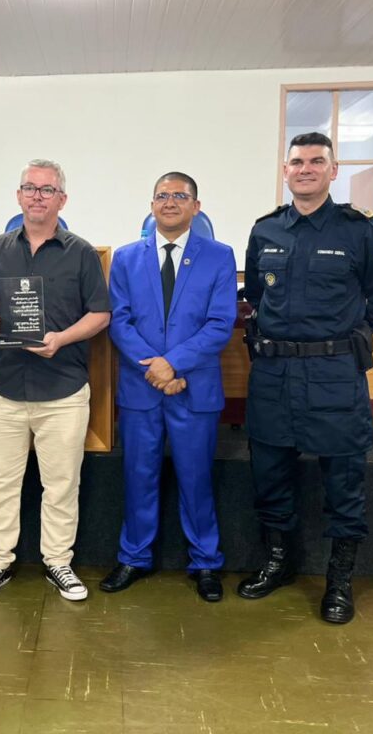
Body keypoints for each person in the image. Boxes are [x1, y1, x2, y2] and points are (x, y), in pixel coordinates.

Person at [239, 132, 373, 623]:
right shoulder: (266, 230)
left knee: (343, 482)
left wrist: (347, 337)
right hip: (273, 374)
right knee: (270, 473)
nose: (305, 169)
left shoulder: (362, 230)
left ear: (333, 171)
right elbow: (256, 293)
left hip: (335, 373)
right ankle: (278, 564)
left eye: (316, 161)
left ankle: (339, 581)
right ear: (285, 171)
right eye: (297, 162)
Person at [0, 159, 111, 602]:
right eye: (30, 188)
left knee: (62, 485)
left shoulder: (82, 253)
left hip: (63, 390)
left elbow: (101, 314)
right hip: (5, 388)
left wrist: (62, 339)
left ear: (62, 200)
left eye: (47, 190)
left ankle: (58, 562)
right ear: (18, 196)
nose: (37, 196)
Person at [101, 172, 237, 602]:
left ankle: (206, 562)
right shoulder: (126, 258)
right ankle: (133, 557)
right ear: (151, 205)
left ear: (197, 206)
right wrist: (156, 368)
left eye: (180, 195)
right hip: (142, 389)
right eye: (162, 195)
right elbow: (119, 321)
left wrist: (173, 364)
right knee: (138, 477)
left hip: (193, 389)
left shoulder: (219, 256)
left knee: (196, 479)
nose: (170, 202)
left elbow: (220, 323)